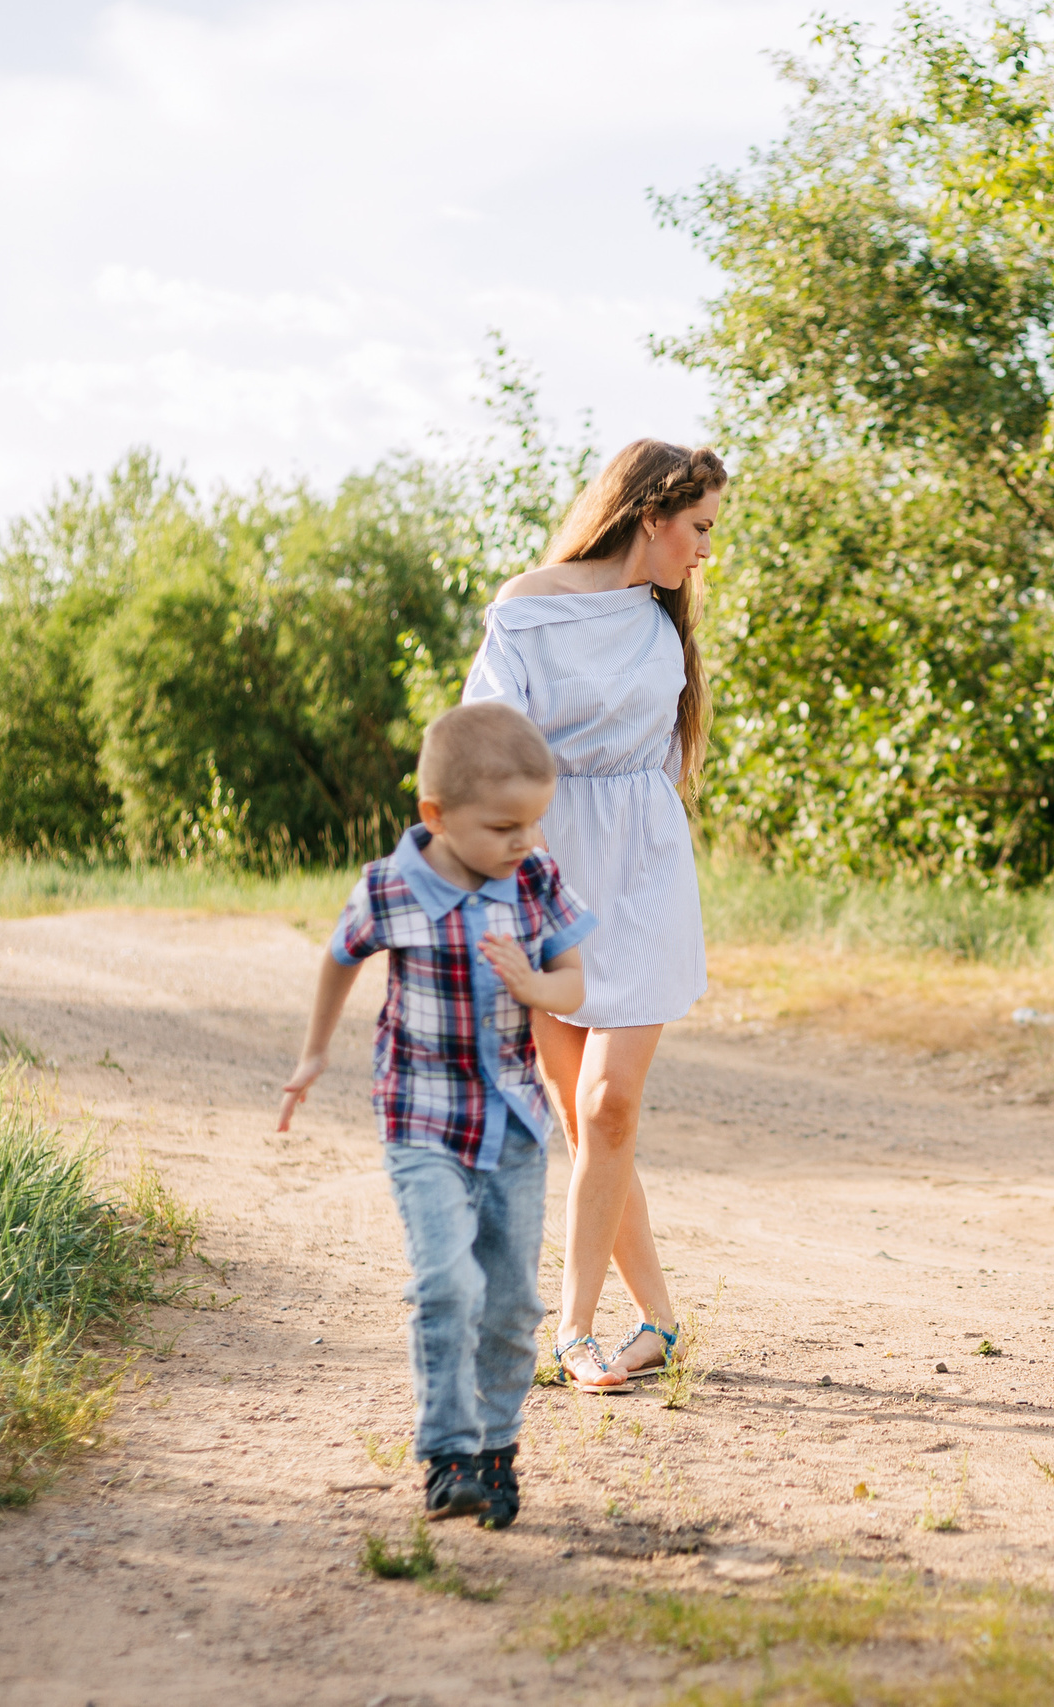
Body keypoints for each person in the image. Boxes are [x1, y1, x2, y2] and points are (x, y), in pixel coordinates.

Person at [275, 702, 596, 1527]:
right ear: (437, 817)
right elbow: (340, 955)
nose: (524, 841)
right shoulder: (392, 885)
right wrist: (314, 1053)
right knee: (448, 1281)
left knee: (513, 1301)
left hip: (515, 1126)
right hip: (421, 1118)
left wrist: (534, 985)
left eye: (533, 822)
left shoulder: (534, 878)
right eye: (503, 826)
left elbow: (576, 984)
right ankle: (447, 1454)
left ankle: (497, 1448)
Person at [462, 438, 725, 1391]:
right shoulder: (527, 609)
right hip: (552, 873)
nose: (704, 550)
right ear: (652, 513)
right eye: (698, 528)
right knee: (586, 1119)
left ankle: (571, 1332)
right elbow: (488, 742)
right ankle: (657, 1319)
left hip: (647, 865)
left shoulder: (663, 622)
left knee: (611, 1103)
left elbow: (662, 759)